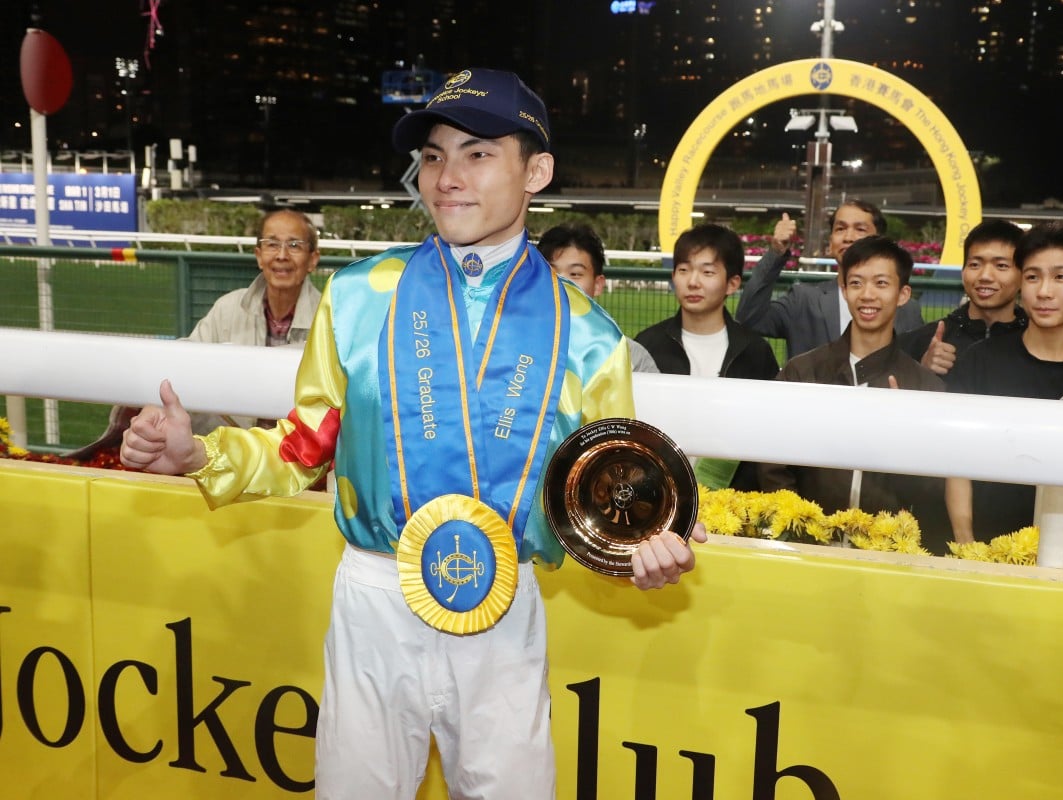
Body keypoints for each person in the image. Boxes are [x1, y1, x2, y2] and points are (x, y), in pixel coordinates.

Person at [120, 68, 705, 800]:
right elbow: (302, 446)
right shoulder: (361, 296)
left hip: (506, 615)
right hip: (373, 598)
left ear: (538, 171)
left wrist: (640, 546)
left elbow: (604, 497)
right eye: (433, 156)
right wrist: (197, 453)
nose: (446, 178)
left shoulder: (589, 336)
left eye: (477, 153)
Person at [67, 209, 322, 460]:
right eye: (272, 244)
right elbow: (185, 363)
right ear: (258, 255)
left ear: (313, 259)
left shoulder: (331, 320)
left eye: (294, 245)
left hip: (299, 458)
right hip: (231, 454)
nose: (281, 255)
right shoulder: (228, 308)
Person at [946, 221, 1063, 544]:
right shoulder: (980, 362)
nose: (1044, 291)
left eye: (1061, 277)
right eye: (1033, 277)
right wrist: (967, 543)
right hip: (985, 554)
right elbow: (956, 461)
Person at [757, 236, 949, 549]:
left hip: (887, 555)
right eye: (856, 283)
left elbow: (932, 490)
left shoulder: (925, 388)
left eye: (881, 283)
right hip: (806, 547)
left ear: (903, 294)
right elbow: (772, 465)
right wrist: (800, 527)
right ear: (844, 290)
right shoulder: (802, 371)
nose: (867, 295)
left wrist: (905, 436)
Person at [634, 222, 778, 490]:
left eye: (707, 272)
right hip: (658, 495)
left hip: (735, 505)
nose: (693, 282)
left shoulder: (755, 351)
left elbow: (768, 433)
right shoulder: (648, 345)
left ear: (732, 283)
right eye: (684, 270)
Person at [735, 202, 924, 359]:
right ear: (831, 241)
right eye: (840, 229)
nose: (849, 237)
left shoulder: (908, 310)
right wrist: (776, 252)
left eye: (860, 229)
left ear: (879, 239)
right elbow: (749, 319)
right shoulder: (803, 300)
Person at [898, 218, 1027, 377]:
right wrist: (921, 372)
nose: (985, 276)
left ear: (1024, 275)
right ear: (963, 271)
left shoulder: (1039, 344)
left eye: (1001, 266)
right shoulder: (918, 342)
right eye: (975, 264)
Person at [535, 222, 659, 373]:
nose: (561, 283)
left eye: (575, 274)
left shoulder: (630, 357)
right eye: (550, 272)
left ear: (598, 285)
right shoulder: (512, 345)